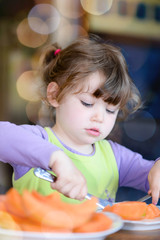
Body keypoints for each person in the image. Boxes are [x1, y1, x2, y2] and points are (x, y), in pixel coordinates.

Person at [0, 34, 160, 205]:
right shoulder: (39, 140)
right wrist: (55, 158)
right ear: (55, 94)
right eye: (87, 103)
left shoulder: (115, 157)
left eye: (110, 110)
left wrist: (157, 169)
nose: (99, 117)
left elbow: (150, 174)